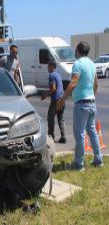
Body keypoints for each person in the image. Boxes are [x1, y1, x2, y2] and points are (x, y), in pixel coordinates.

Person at [57, 41, 103, 171]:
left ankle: (78, 164)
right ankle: (98, 160)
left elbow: (73, 83)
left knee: (80, 134)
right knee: (92, 132)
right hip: (92, 103)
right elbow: (96, 85)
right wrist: (91, 97)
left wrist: (62, 100)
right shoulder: (92, 64)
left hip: (82, 104)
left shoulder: (78, 64)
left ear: (78, 51)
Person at [41, 60, 66, 143]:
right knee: (60, 118)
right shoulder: (58, 75)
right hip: (62, 99)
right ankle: (63, 136)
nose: (47, 67)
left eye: (48, 66)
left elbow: (53, 88)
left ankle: (51, 136)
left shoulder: (51, 75)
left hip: (56, 100)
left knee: (50, 118)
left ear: (52, 66)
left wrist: (45, 95)